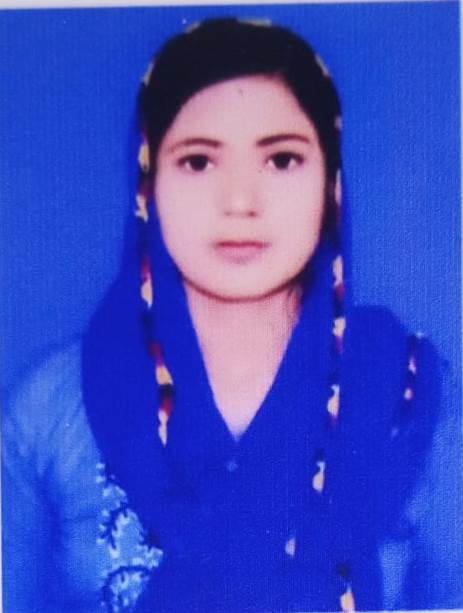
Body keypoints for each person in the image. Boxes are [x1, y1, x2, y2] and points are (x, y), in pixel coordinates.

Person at [2, 17, 459, 613]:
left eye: (282, 160)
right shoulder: (51, 408)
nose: (240, 201)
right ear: (149, 184)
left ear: (330, 184)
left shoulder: (411, 395)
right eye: (198, 162)